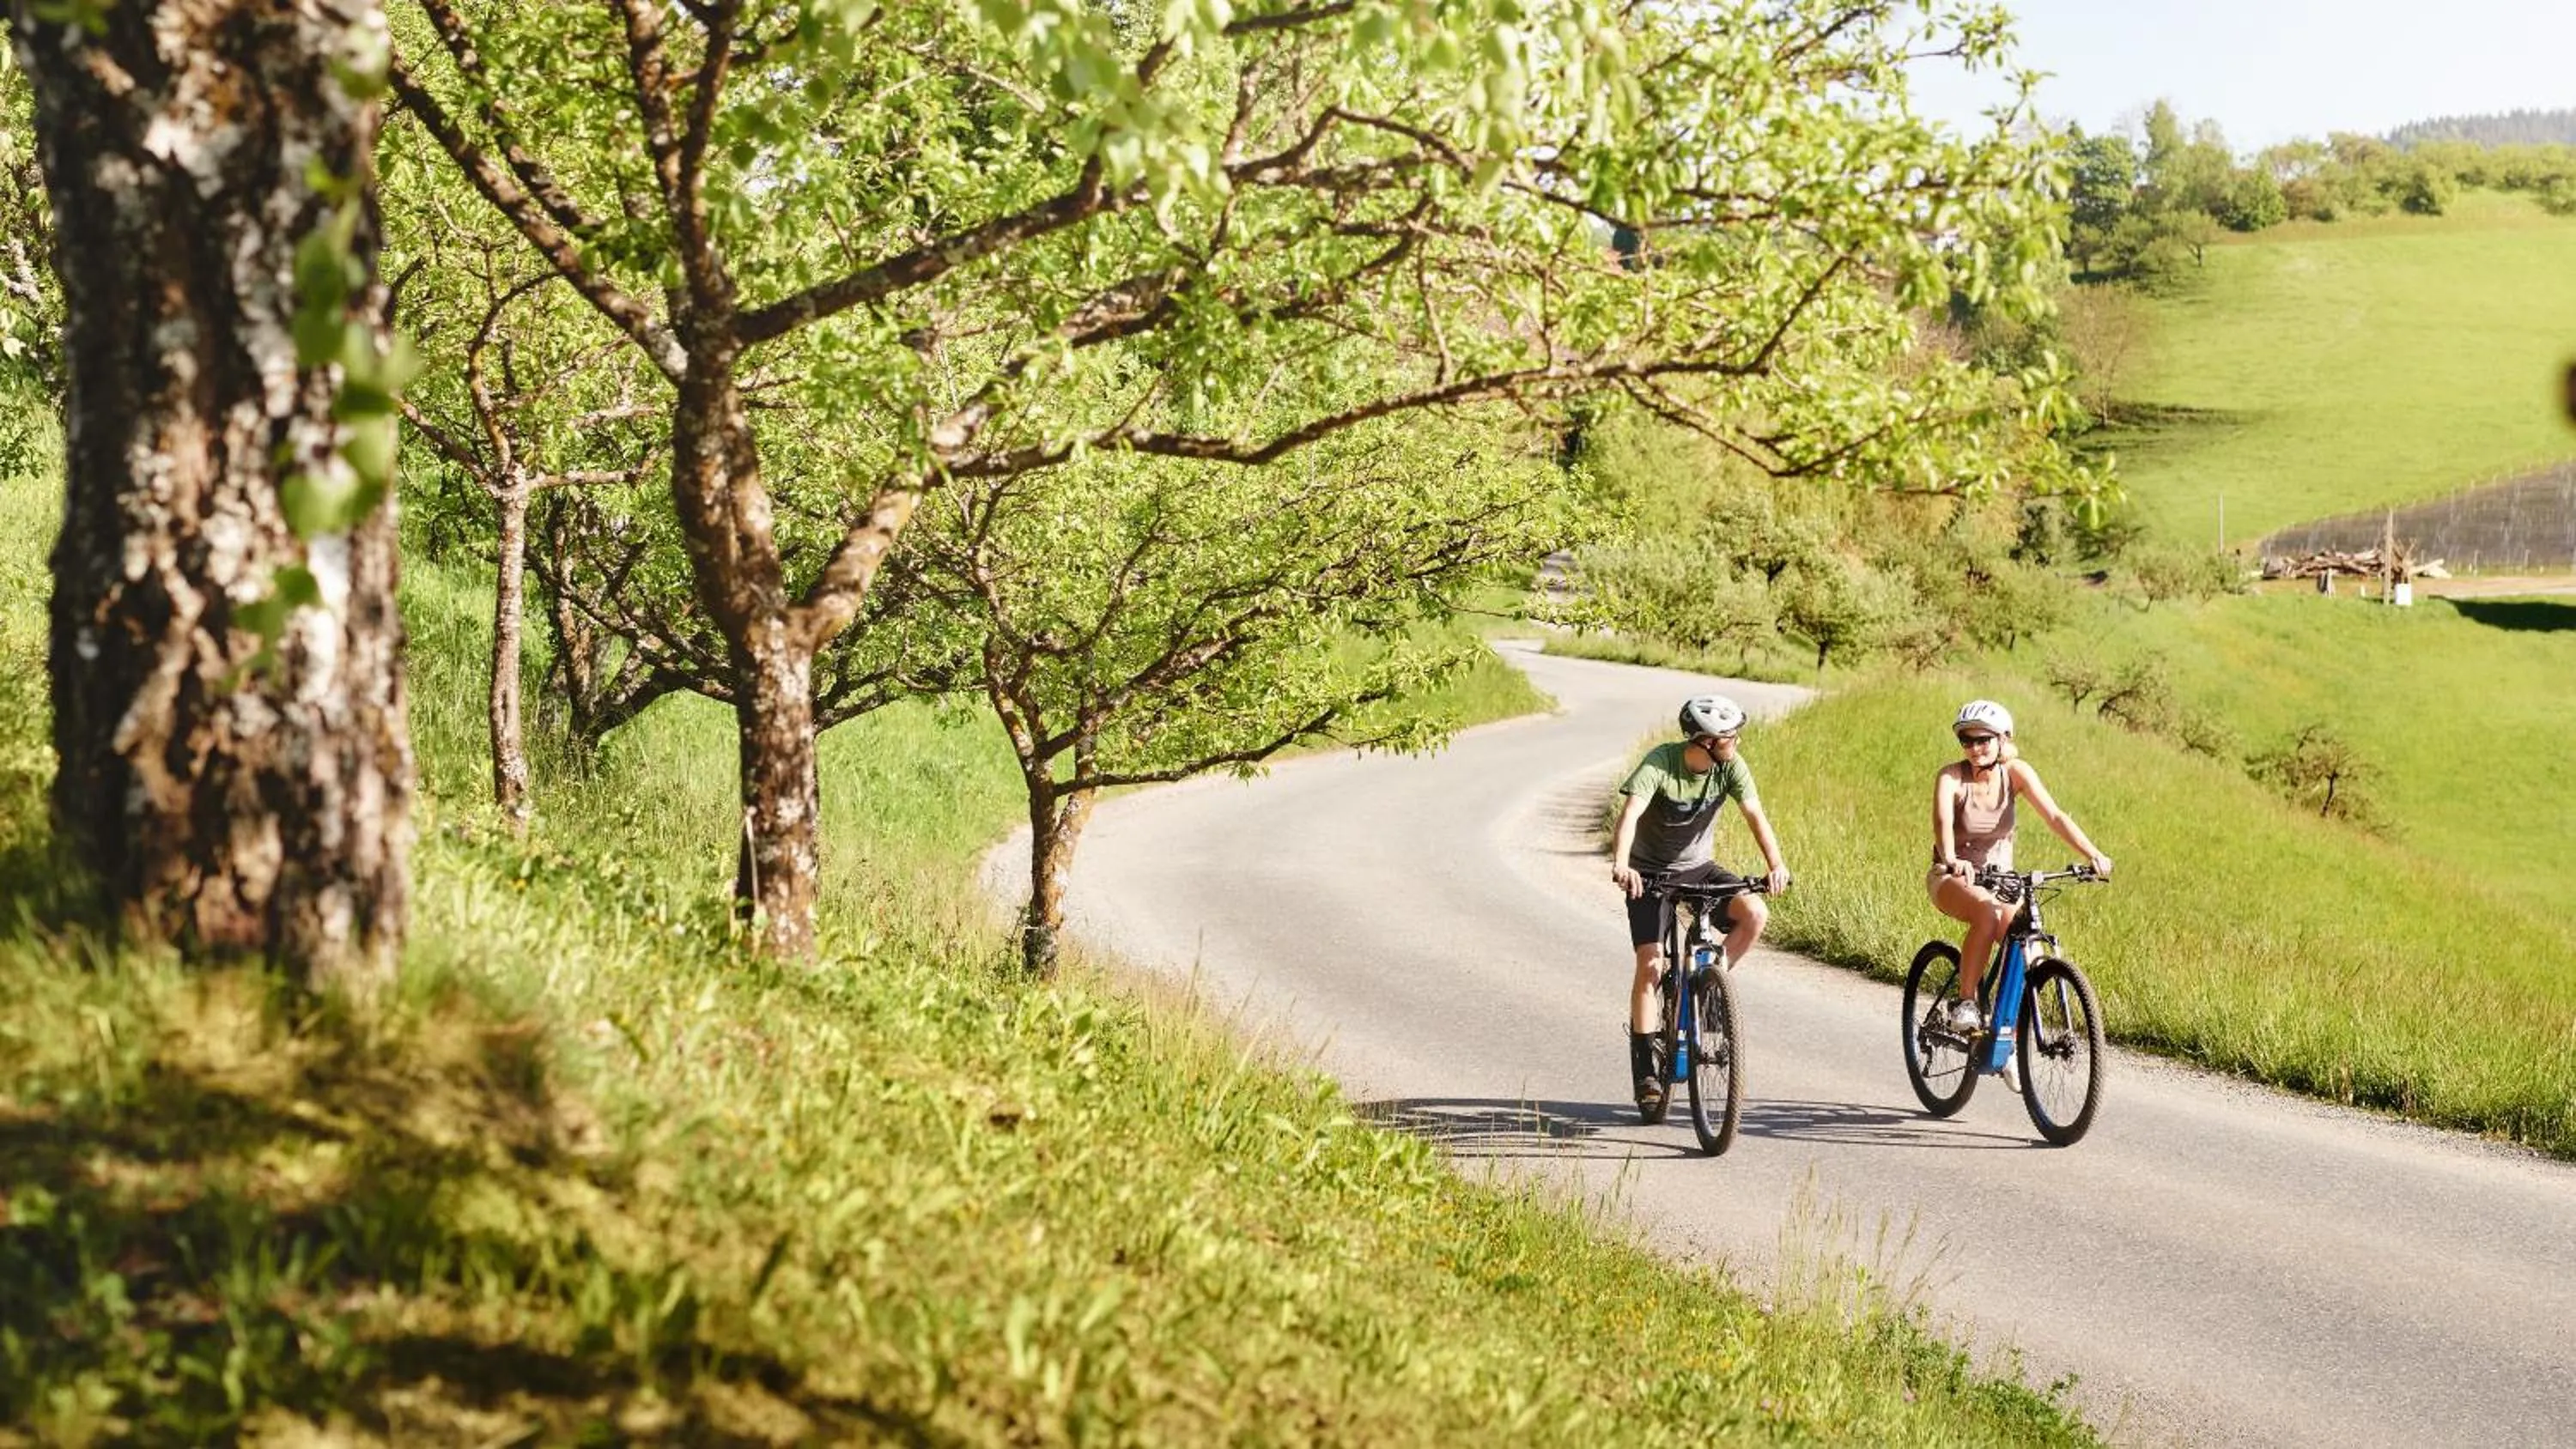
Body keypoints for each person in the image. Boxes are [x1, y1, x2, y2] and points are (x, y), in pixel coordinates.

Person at [1610, 694, 1791, 1114]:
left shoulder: (1730, 767)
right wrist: (1622, 864)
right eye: (1730, 737)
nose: (1737, 743)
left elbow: (1755, 816)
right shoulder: (1661, 762)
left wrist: (1776, 864)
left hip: (1698, 868)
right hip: (1649, 872)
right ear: (1705, 741)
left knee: (1755, 913)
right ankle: (1646, 1073)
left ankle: (1710, 985)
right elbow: (1631, 813)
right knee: (1652, 965)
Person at [1928, 700, 2111, 1032]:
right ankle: (1965, 1003)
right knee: (1985, 912)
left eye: (1983, 739)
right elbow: (1941, 823)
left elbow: (2055, 817)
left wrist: (2092, 854)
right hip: (1952, 877)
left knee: (2028, 942)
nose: (1974, 748)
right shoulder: (1951, 777)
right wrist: (1953, 860)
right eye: (1966, 741)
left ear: (2002, 739)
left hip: (2001, 881)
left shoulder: (2016, 774)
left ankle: (2010, 1033)